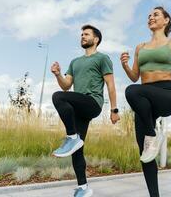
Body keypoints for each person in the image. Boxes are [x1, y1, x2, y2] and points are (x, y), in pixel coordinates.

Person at [120, 6, 171, 197]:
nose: (151, 17)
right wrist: (125, 65)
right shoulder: (140, 47)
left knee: (131, 91)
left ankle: (152, 135)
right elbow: (135, 76)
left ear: (166, 20)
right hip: (144, 99)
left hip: (166, 94)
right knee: (145, 153)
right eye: (149, 15)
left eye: (156, 15)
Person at [51, 24, 120, 197]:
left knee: (57, 96)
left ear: (95, 39)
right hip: (78, 107)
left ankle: (72, 137)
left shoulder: (102, 58)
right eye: (81, 34)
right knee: (77, 151)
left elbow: (110, 85)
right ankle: (83, 188)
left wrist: (114, 109)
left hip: (92, 102)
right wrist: (58, 74)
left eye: (86, 34)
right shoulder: (75, 62)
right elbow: (66, 86)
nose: (83, 36)